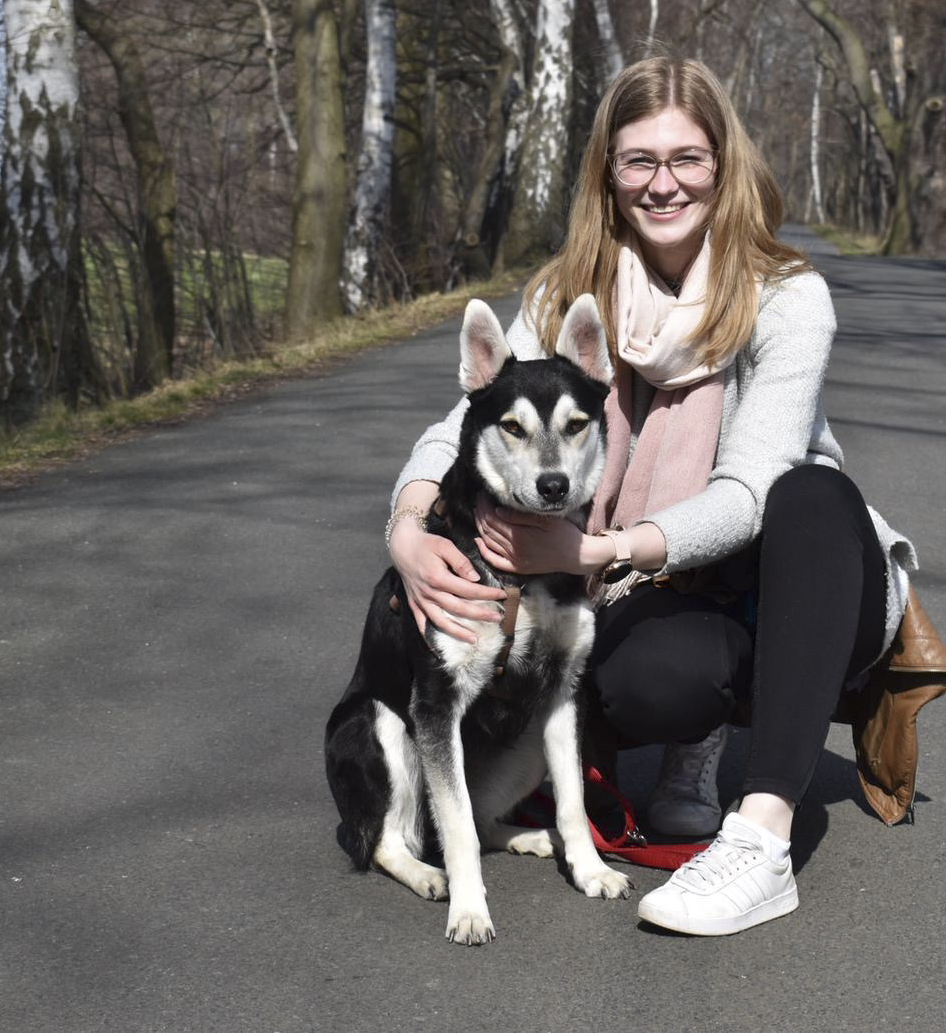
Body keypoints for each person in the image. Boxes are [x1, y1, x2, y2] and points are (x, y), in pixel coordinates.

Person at [384, 57, 916, 936]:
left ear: (723, 164)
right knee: (632, 685)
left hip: (798, 586)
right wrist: (407, 525)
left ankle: (762, 837)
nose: (663, 184)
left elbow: (747, 496)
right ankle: (685, 736)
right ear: (608, 173)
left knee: (812, 493)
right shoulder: (567, 296)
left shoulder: (787, 298)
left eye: (687, 158)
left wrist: (590, 552)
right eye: (639, 161)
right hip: (651, 590)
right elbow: (465, 426)